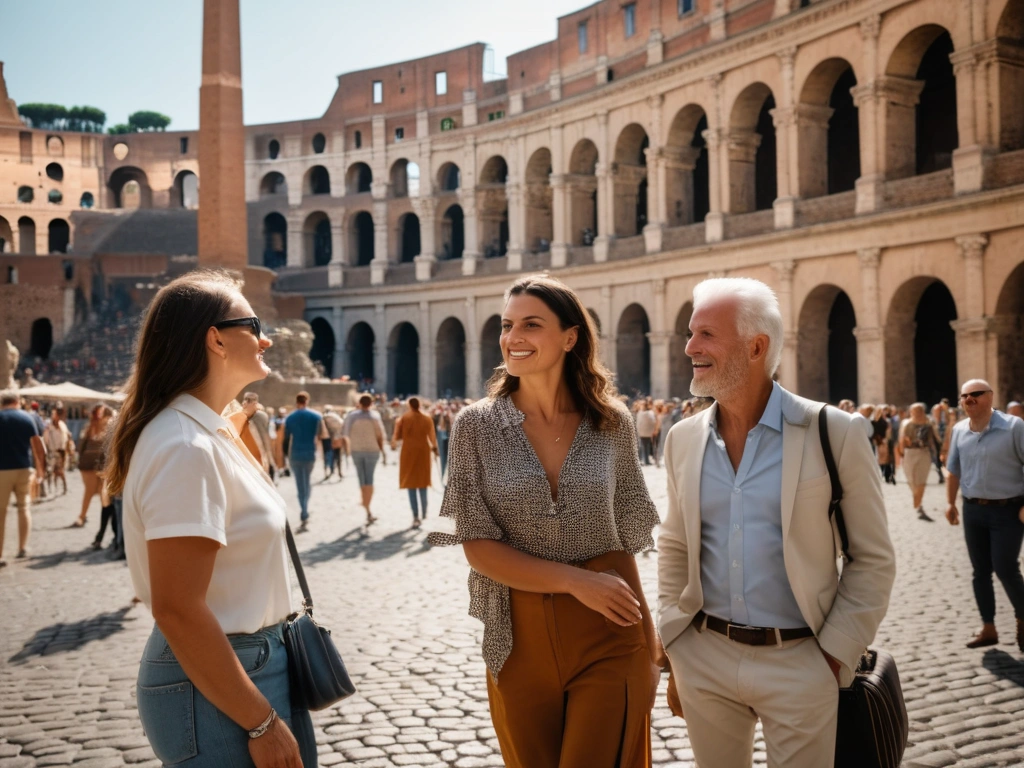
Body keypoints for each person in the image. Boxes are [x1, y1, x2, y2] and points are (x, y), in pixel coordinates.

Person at [658, 277, 896, 768]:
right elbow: (676, 546)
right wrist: (677, 643)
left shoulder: (835, 431)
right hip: (705, 654)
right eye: (690, 332)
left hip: (802, 660)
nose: (689, 348)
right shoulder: (682, 440)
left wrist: (832, 658)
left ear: (756, 347)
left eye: (705, 335)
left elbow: (872, 558)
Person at [429, 275, 662, 768]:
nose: (513, 338)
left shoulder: (612, 422)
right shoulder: (474, 425)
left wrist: (649, 646)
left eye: (531, 325)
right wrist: (575, 582)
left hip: (611, 632)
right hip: (515, 636)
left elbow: (622, 539)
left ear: (570, 337)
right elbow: (477, 545)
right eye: (507, 325)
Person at [106, 271, 317, 767]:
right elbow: (177, 606)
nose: (266, 337)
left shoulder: (206, 431)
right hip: (224, 680)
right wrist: (260, 721)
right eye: (253, 324)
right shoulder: (185, 445)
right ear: (215, 339)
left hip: (242, 667)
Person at [944, 379, 1024, 651]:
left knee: (1005, 567)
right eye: (964, 396)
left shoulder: (1014, 427)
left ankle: (1023, 617)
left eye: (976, 394)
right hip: (972, 509)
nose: (969, 399)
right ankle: (988, 627)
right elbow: (953, 468)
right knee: (980, 571)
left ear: (990, 396)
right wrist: (950, 503)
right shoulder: (958, 430)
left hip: (1008, 510)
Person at [0, 391, 45, 565]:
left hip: (2, 470)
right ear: (17, 401)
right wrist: (40, 470)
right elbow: (38, 446)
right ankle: (22, 547)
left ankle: (0, 554)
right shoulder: (27, 418)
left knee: (1, 512)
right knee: (23, 507)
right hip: (24, 468)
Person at [391, 397, 438, 529]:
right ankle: (424, 511)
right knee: (422, 482)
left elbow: (397, 435)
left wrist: (393, 442)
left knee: (411, 484)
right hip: (423, 451)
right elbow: (432, 436)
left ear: (409, 406)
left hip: (408, 452)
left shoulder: (404, 418)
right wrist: (435, 449)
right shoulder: (427, 418)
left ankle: (415, 515)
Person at [283, 392, 325, 532]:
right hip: (309, 453)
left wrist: (283, 457)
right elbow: (322, 436)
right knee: (307, 482)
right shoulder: (316, 416)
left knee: (299, 484)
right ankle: (305, 508)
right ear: (307, 401)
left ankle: (303, 508)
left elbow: (286, 439)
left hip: (295, 453)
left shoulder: (289, 418)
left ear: (296, 402)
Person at [342, 394, 387, 525]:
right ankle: (367, 506)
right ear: (371, 403)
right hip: (372, 450)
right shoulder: (375, 416)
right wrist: (383, 452)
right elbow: (380, 436)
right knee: (370, 479)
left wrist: (348, 449)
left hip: (356, 450)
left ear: (360, 403)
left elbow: (345, 434)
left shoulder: (352, 416)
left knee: (361, 479)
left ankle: (366, 506)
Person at [895, 402, 940, 521]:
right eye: (913, 411)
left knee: (921, 480)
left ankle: (918, 505)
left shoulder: (929, 423)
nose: (915, 413)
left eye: (918, 410)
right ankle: (917, 501)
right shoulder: (906, 423)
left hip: (924, 453)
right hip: (909, 453)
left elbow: (935, 438)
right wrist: (901, 455)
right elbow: (901, 440)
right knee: (910, 479)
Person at [74, 404, 112, 528]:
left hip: (102, 466)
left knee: (103, 492)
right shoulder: (90, 428)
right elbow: (82, 446)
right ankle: (82, 516)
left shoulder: (108, 428)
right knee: (89, 491)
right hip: (89, 465)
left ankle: (107, 521)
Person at [227, 392, 274, 475]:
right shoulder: (241, 416)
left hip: (257, 454)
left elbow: (264, 437)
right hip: (247, 455)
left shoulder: (260, 416)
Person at [43, 409, 72, 495]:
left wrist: (67, 447)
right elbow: (46, 439)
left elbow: (68, 435)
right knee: (50, 471)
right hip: (52, 451)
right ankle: (50, 489)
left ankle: (64, 487)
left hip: (61, 451)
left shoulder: (62, 425)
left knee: (60, 470)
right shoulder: (49, 426)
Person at [322, 406, 344, 479]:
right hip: (337, 438)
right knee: (338, 455)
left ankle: (327, 471)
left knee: (326, 455)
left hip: (326, 439)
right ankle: (339, 472)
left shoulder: (323, 417)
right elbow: (342, 425)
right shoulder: (336, 417)